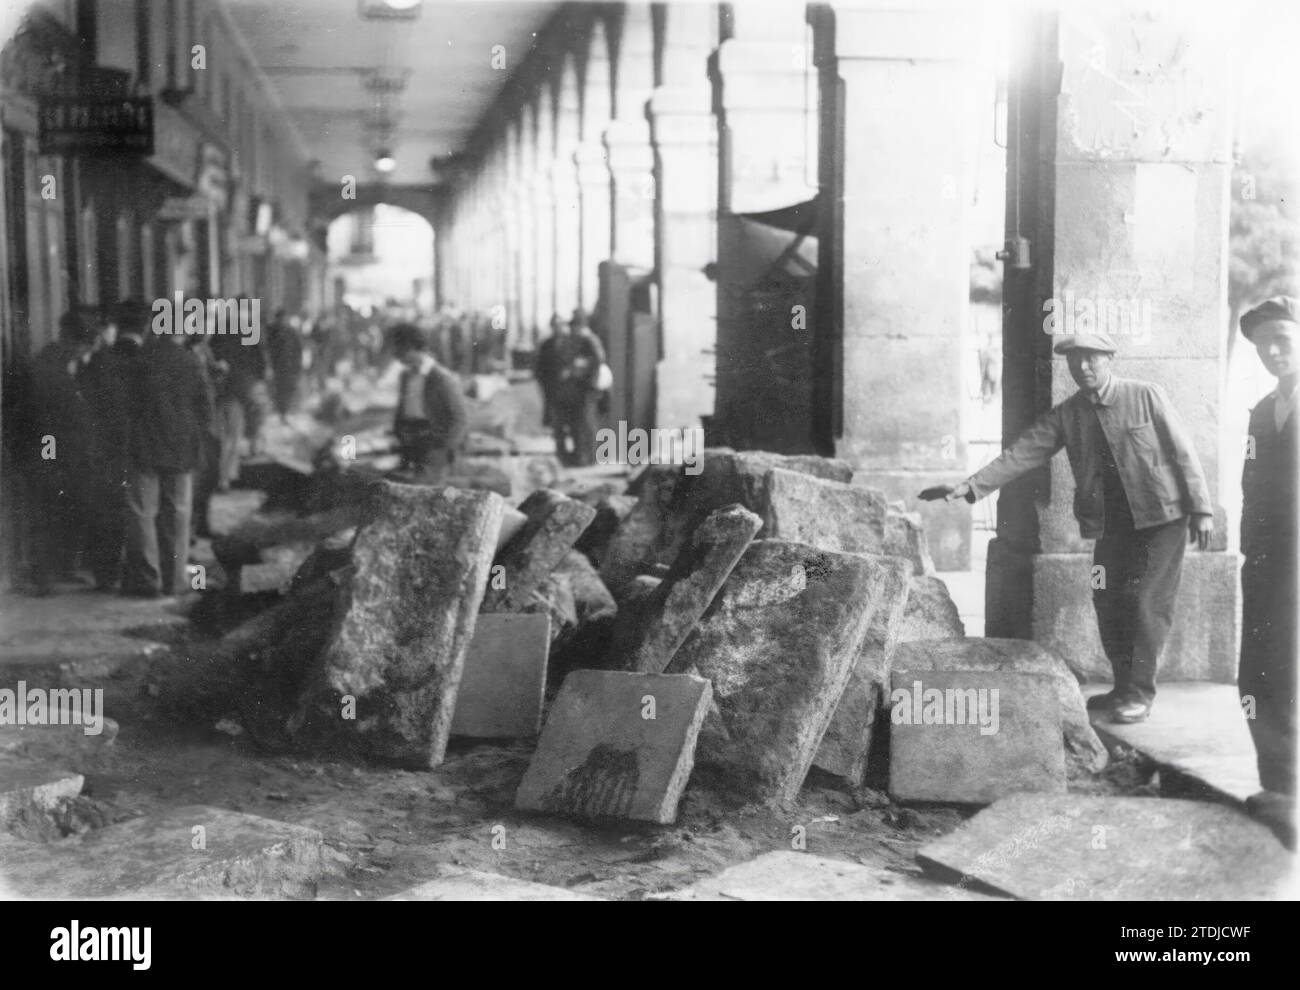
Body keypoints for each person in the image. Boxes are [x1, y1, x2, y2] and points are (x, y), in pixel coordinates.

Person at [924, 332, 1214, 724]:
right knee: (1107, 599)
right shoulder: (1068, 414)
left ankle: (1139, 694)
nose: (1083, 367)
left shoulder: (1146, 395)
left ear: (1109, 359)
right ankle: (1122, 686)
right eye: (1075, 361)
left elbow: (1184, 452)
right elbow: (1023, 452)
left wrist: (1202, 510)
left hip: (1163, 519)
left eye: (1092, 359)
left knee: (1146, 602)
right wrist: (970, 486)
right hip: (1111, 526)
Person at [1237, 297, 1298, 844]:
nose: (1274, 351)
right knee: (1259, 675)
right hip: (1265, 565)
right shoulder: (1262, 409)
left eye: (1283, 337)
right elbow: (1251, 487)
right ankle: (1279, 788)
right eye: (1263, 345)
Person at [121, 319, 215, 597]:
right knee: (178, 514)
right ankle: (175, 581)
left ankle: (147, 580)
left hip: (145, 446)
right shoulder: (191, 361)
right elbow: (205, 407)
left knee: (141, 513)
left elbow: (127, 405)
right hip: (182, 448)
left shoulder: (140, 360)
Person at [13, 309, 97, 594]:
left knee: (63, 514)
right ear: (70, 340)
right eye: (83, 345)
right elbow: (43, 422)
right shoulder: (46, 368)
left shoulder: (63, 365)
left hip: (67, 457)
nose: (84, 352)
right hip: (50, 456)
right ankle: (43, 577)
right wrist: (51, 460)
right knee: (46, 515)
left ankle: (61, 570)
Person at [79, 302, 133, 590]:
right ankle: (109, 571)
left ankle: (106, 571)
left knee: (108, 511)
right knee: (112, 511)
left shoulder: (99, 361)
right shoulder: (106, 361)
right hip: (111, 448)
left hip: (101, 447)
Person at [391, 323, 468, 484]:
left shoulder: (442, 378)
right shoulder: (406, 376)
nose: (395, 355)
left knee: (424, 487)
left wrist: (443, 450)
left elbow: (459, 420)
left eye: (398, 350)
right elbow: (402, 409)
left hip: (433, 445)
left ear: (410, 347)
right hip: (410, 442)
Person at [552, 309, 607, 467]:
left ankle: (588, 457)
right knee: (579, 424)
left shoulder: (589, 339)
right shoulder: (580, 339)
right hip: (580, 389)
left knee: (586, 424)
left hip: (588, 389)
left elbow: (598, 360)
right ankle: (582, 457)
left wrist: (580, 367)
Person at [266, 308, 304, 422]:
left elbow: (298, 350)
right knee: (277, 390)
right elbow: (267, 348)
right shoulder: (271, 331)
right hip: (276, 366)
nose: (282, 321)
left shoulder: (291, 332)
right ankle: (280, 411)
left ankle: (284, 411)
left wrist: (298, 365)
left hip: (288, 367)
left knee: (288, 389)